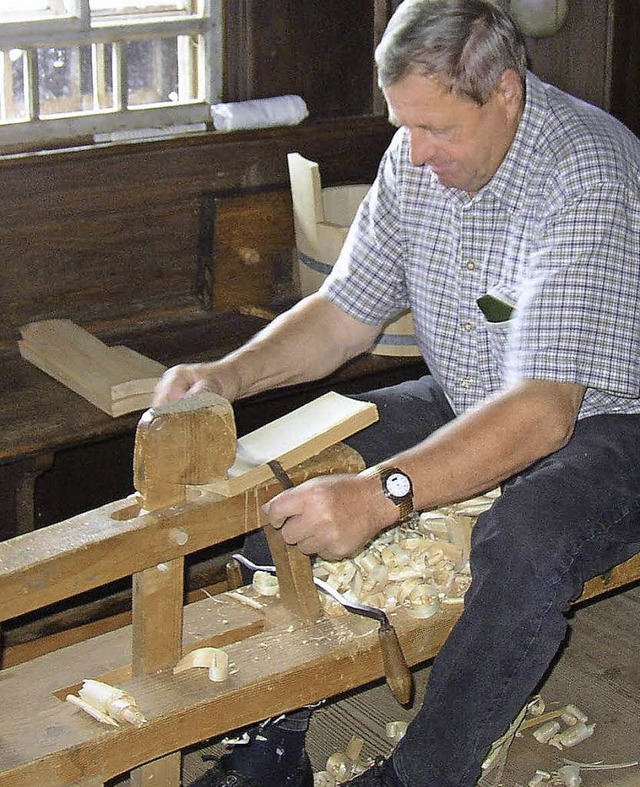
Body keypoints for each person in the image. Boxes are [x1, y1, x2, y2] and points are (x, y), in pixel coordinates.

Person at [154, 1, 640, 785]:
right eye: (403, 126)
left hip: (610, 420)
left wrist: (385, 494)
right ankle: (268, 742)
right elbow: (345, 315)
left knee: (526, 540)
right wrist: (226, 378)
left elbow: (545, 412)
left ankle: (421, 772)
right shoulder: (416, 153)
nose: (415, 153)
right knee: (279, 469)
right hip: (473, 393)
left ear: (508, 94)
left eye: (438, 130)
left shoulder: (581, 169)